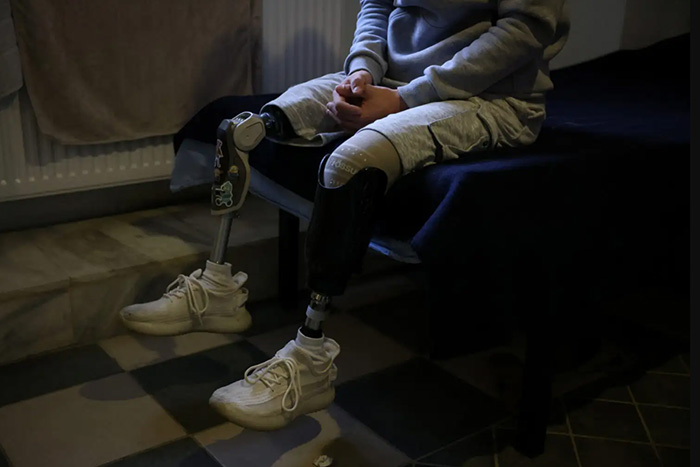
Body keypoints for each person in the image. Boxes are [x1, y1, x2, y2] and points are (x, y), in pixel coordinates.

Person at [120, 0, 570, 431]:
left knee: (348, 165)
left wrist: (404, 100)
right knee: (243, 128)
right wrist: (361, 72)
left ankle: (311, 359)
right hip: (393, 82)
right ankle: (218, 291)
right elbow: (376, 4)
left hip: (489, 98)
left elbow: (525, 29)